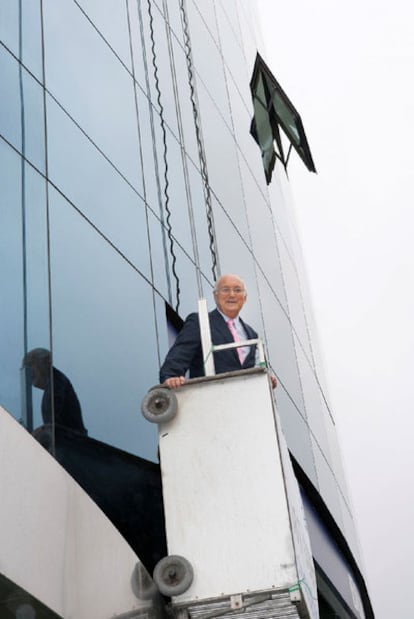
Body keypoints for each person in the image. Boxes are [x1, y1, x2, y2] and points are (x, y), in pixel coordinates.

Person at [159, 274, 277, 389]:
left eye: (237, 290)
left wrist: (267, 379)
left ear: (244, 298)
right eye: (225, 290)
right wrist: (171, 376)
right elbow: (181, 353)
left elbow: (259, 369)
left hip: (244, 402)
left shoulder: (252, 335)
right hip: (211, 399)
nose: (232, 295)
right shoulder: (200, 322)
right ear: (215, 296)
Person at [22, 348, 87, 435]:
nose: (29, 372)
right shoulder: (55, 382)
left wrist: (37, 434)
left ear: (46, 362)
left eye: (30, 364)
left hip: (70, 444)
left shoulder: (56, 383)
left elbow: (53, 426)